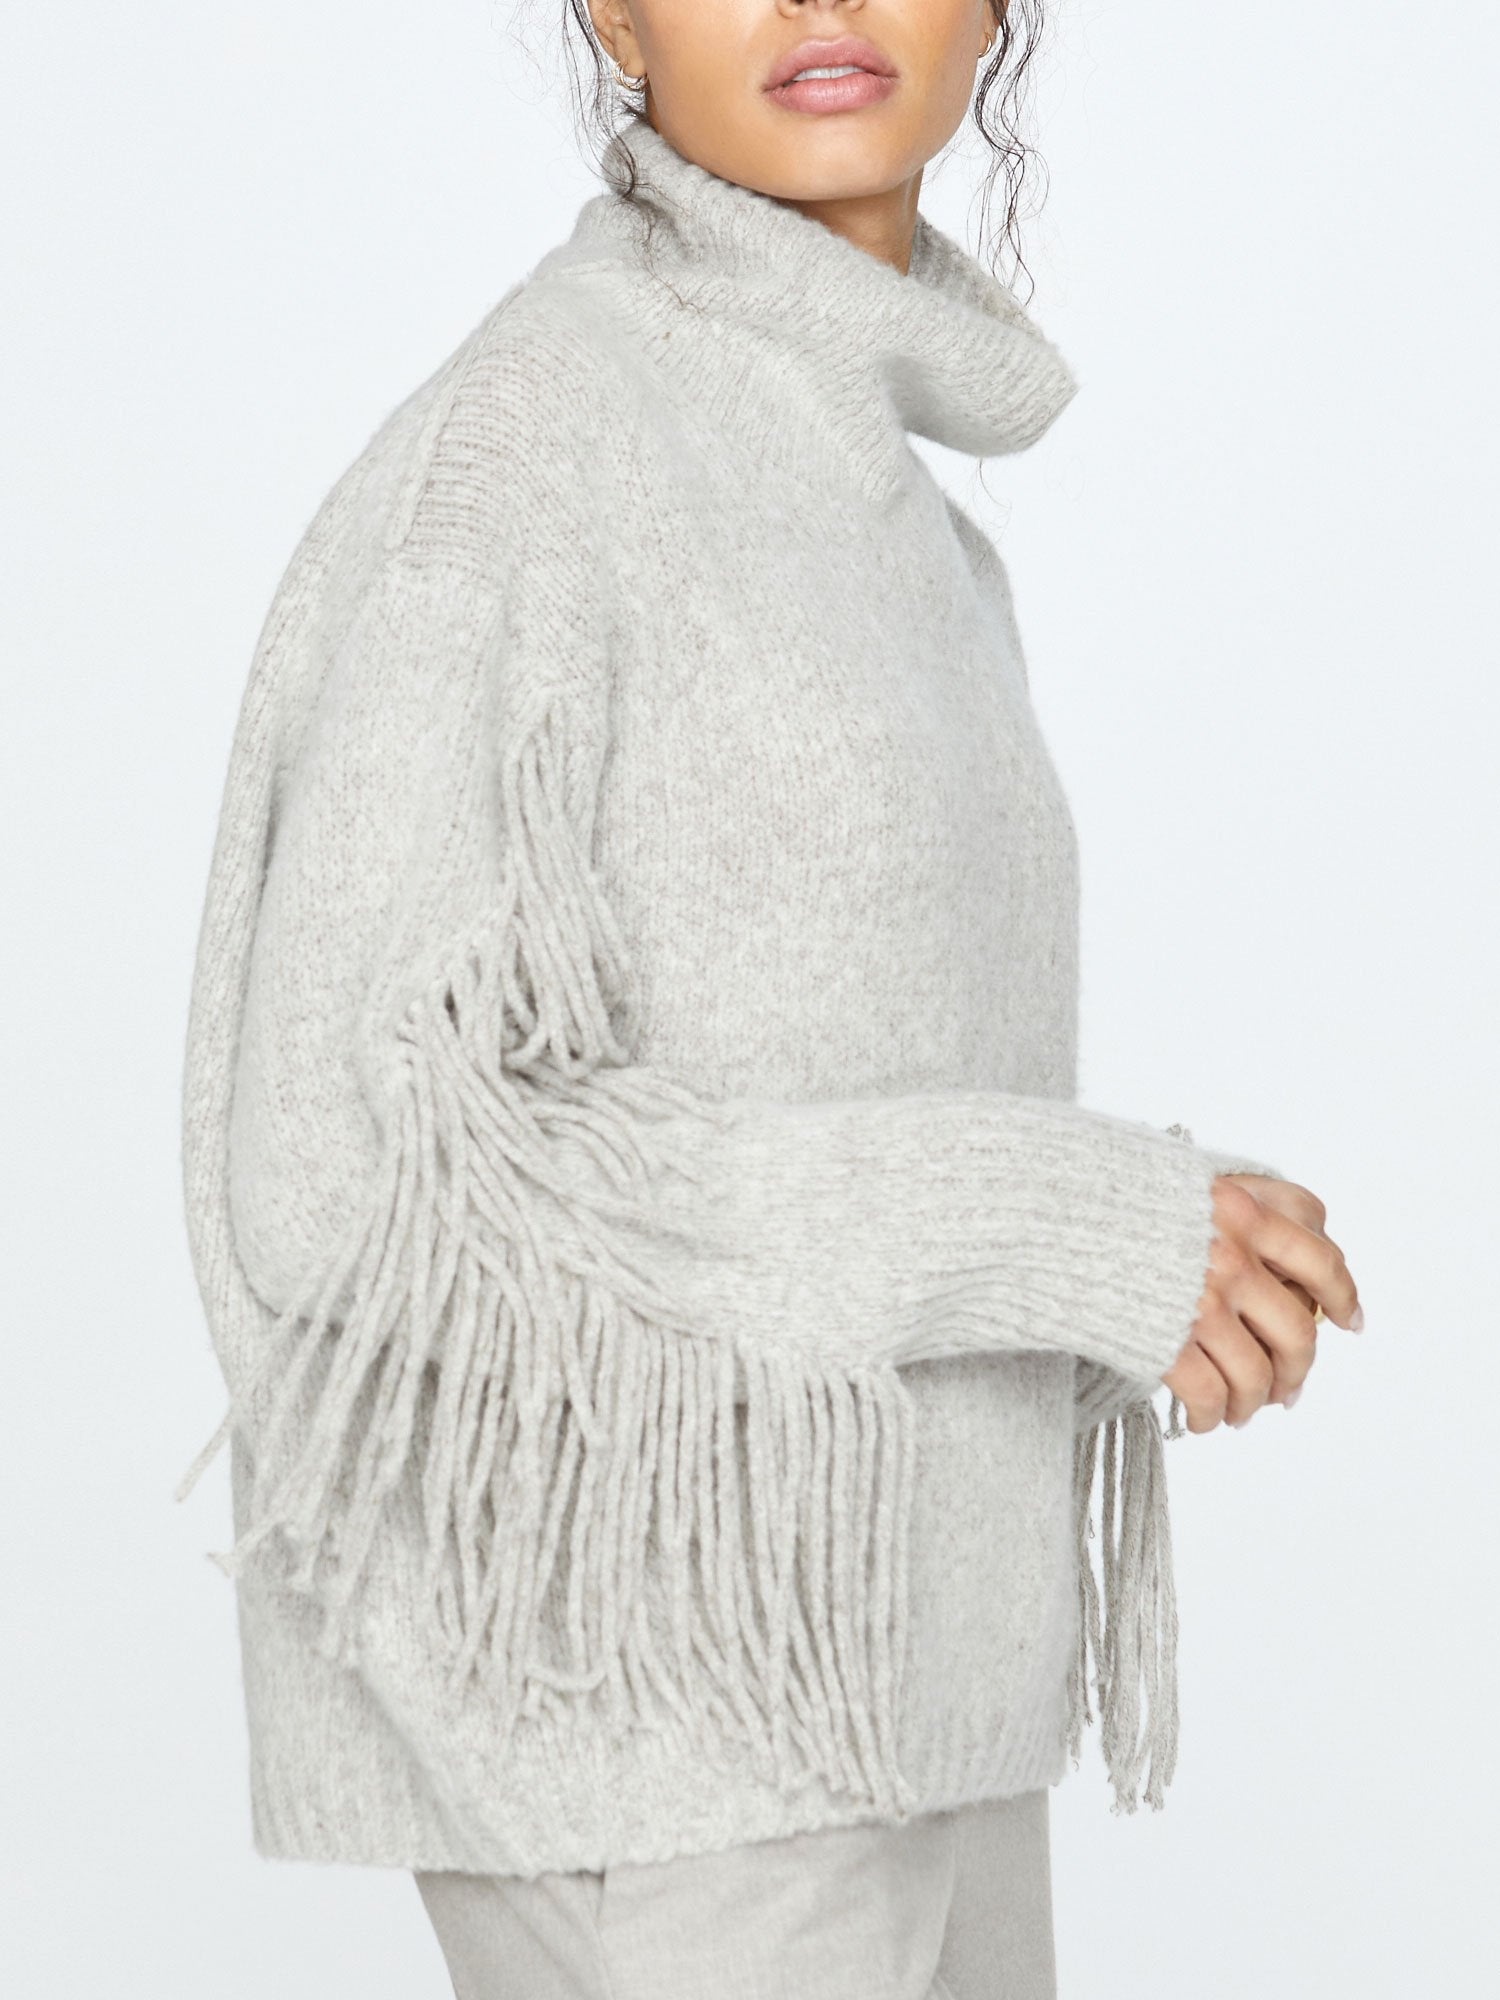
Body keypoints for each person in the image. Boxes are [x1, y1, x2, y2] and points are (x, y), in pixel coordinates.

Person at [175, 3, 1362, 1994]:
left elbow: (812, 1075)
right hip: (654, 1736)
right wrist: (1049, 1221)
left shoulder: (884, 507)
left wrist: (1143, 1247)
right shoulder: (538, 452)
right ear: (612, 14)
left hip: (901, 1715)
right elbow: (347, 1174)